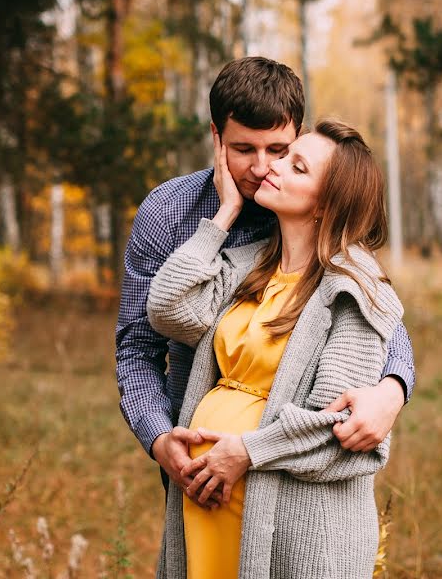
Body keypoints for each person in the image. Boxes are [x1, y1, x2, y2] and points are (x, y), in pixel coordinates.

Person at [115, 57, 415, 505]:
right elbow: (138, 345)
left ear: (297, 136)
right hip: (198, 470)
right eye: (243, 149)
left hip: (291, 482)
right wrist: (159, 438)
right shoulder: (168, 214)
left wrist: (392, 390)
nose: (261, 168)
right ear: (216, 138)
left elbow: (373, 309)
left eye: (278, 150)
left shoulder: (310, 209)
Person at [147, 119, 403, 577]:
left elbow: (339, 428)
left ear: (326, 205)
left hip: (289, 527)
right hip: (210, 508)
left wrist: (245, 452)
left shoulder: (354, 289)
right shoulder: (247, 265)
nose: (272, 167)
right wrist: (224, 214)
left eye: (296, 165)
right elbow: (167, 309)